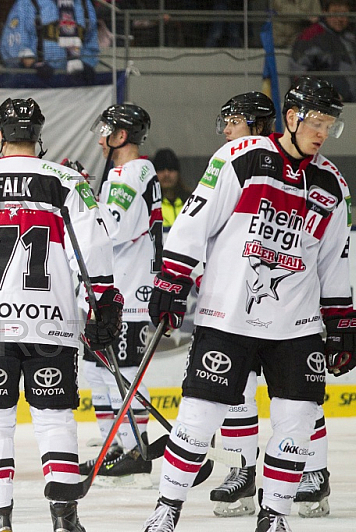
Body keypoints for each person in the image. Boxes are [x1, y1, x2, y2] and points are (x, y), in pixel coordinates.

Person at [143, 76, 352, 532]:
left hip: (295, 327)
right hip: (228, 317)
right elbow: (193, 225)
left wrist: (341, 324)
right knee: (197, 419)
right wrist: (172, 281)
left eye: (330, 124)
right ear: (292, 117)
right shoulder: (241, 158)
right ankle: (167, 509)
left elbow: (335, 263)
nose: (322, 132)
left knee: (295, 423)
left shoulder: (333, 187)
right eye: (316, 121)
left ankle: (273, 515)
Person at [0, 97, 120, 532]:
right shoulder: (68, 182)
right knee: (54, 417)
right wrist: (103, 302)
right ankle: (64, 516)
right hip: (51, 321)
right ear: (38, 135)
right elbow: (92, 253)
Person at [209, 89, 333, 520]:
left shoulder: (302, 175)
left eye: (235, 119)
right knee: (237, 393)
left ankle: (313, 472)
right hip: (240, 307)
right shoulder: (231, 166)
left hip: (286, 311)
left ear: (259, 125)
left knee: (295, 399)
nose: (226, 128)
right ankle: (243, 471)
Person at [80, 104, 162, 486]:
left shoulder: (133, 172)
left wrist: (81, 199)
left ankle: (134, 448)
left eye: (107, 131)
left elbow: (110, 229)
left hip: (129, 292)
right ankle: (114, 445)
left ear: (122, 135)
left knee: (125, 372)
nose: (100, 138)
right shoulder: (123, 173)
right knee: (98, 373)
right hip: (110, 293)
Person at [0, 0, 99, 78]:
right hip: (36, 81)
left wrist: (86, 64)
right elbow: (13, 46)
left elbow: (91, 43)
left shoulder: (85, 4)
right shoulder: (28, 2)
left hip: (75, 84)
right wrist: (34, 64)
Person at [290, 0, 356, 103]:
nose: (340, 18)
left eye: (344, 14)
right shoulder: (311, 36)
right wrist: (320, 96)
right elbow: (299, 73)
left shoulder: (351, 38)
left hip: (350, 104)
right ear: (325, 12)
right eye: (335, 13)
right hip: (324, 106)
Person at [151, 149, 189, 229]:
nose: (166, 174)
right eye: (161, 169)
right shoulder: (149, 204)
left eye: (171, 169)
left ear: (178, 173)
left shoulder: (190, 202)